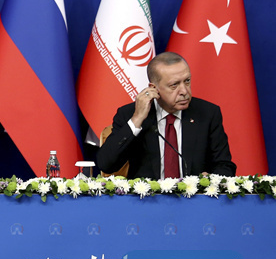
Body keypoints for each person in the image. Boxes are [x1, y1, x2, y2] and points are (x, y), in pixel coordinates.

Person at [97, 52, 235, 178]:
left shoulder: (207, 113)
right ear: (154, 88)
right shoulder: (130, 114)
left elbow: (225, 165)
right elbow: (107, 165)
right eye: (174, 85)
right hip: (148, 196)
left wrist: (211, 179)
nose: (184, 91)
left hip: (193, 196)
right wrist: (137, 119)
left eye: (187, 81)